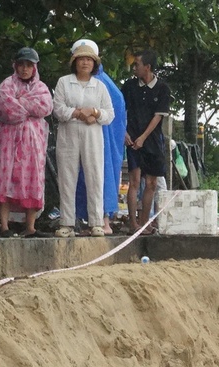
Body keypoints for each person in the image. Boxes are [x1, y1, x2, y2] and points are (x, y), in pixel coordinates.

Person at [0, 47, 51, 238]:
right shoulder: (7, 85)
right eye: (21, 64)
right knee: (5, 178)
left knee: (32, 180)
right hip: (7, 142)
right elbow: (5, 108)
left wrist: (19, 102)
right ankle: (4, 226)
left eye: (29, 65)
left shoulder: (41, 88)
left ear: (35, 67)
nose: (24, 69)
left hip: (33, 144)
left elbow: (45, 106)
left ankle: (30, 226)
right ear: (15, 66)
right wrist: (27, 107)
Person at [52, 43, 113, 237]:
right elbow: (58, 109)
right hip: (69, 132)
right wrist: (79, 113)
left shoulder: (100, 86)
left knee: (95, 176)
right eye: (81, 59)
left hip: (93, 133)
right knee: (67, 177)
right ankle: (67, 223)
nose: (85, 62)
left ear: (94, 63)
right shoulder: (64, 82)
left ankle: (96, 222)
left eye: (89, 59)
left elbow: (109, 114)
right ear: (75, 62)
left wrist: (94, 112)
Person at [71, 39, 126, 235]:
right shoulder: (108, 83)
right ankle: (100, 221)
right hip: (102, 141)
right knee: (100, 176)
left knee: (96, 177)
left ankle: (102, 222)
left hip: (96, 139)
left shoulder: (97, 84)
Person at [122, 49, 171, 233]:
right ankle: (133, 223)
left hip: (152, 141)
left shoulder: (163, 89)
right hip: (132, 138)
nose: (134, 68)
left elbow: (158, 116)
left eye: (137, 64)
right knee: (134, 181)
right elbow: (120, 111)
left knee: (151, 183)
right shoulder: (129, 86)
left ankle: (145, 222)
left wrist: (143, 137)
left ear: (147, 67)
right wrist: (125, 133)